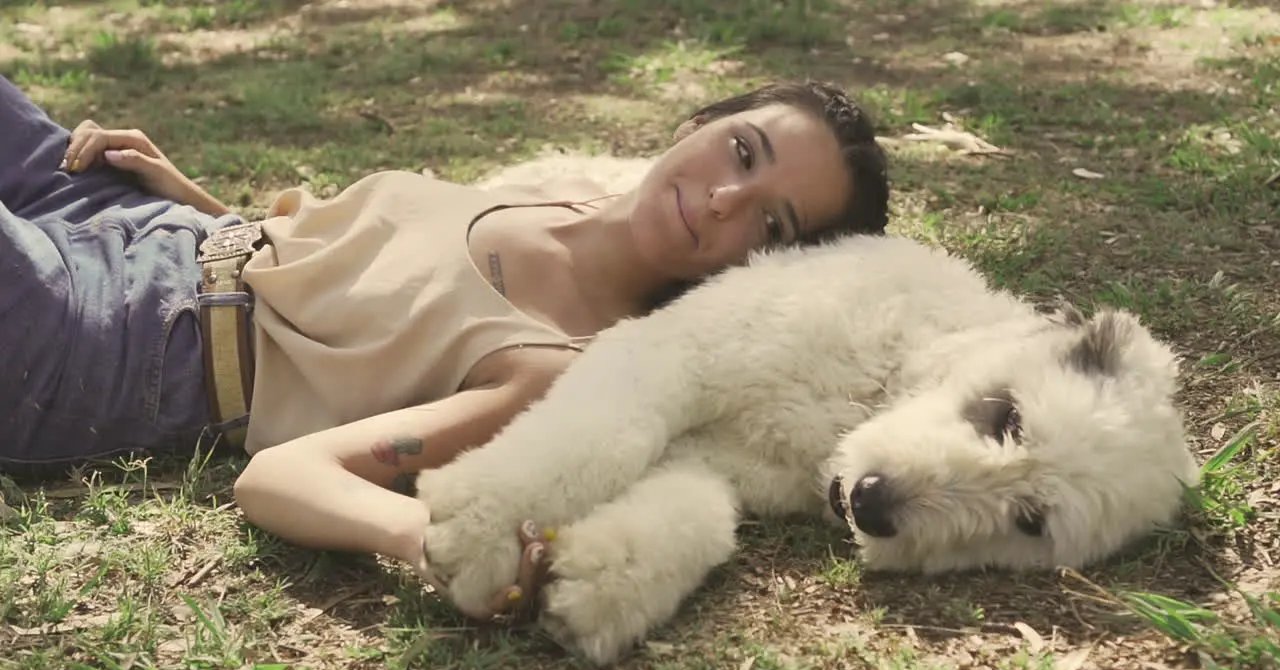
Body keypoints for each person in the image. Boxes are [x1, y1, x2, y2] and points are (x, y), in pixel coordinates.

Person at [0, 73, 890, 614]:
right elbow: (358, 282)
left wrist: (426, 542)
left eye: (771, 223)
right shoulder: (561, 190)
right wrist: (197, 203)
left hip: (107, 343)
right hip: (127, 215)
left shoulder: (556, 363)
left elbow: (276, 477)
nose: (728, 198)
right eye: (742, 150)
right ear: (700, 123)